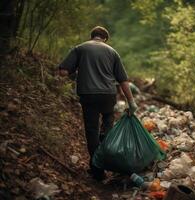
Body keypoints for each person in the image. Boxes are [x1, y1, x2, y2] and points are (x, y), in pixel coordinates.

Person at [58, 26, 138, 180]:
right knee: (108, 122)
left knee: (91, 130)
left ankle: (97, 170)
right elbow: (123, 80)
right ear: (105, 39)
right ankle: (106, 144)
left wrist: (78, 74)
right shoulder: (112, 52)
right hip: (108, 95)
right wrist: (131, 101)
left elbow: (63, 72)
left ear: (92, 36)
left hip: (88, 95)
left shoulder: (80, 48)